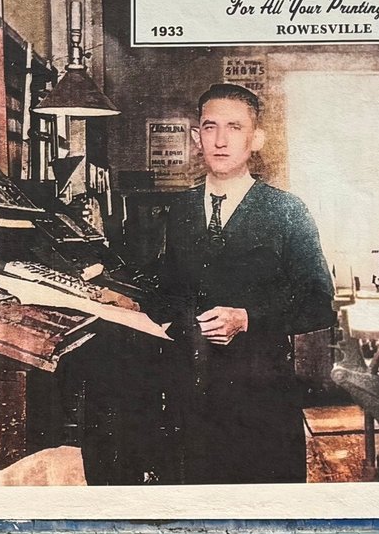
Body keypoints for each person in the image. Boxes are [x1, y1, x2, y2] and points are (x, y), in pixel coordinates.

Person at [140, 82, 336, 484]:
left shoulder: (286, 211)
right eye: (210, 128)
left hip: (261, 400)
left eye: (235, 127)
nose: (221, 140)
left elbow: (319, 300)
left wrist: (247, 319)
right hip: (188, 400)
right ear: (197, 138)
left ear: (256, 138)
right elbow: (162, 292)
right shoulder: (177, 211)